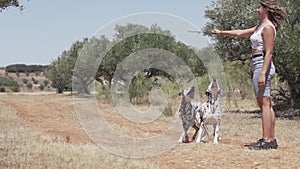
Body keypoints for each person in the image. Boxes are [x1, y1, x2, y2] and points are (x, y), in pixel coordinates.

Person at [211, 0, 285, 150]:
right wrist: (221, 32)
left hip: (262, 64)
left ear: (266, 9)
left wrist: (263, 73)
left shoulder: (268, 28)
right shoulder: (260, 27)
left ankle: (266, 140)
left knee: (264, 104)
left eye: (259, 7)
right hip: (258, 64)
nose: (257, 10)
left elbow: (269, 52)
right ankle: (271, 139)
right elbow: (240, 33)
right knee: (267, 104)